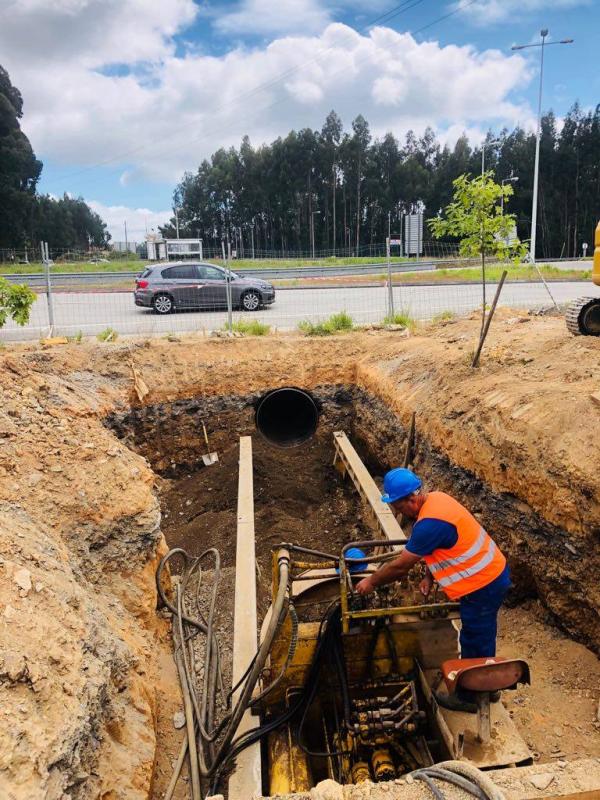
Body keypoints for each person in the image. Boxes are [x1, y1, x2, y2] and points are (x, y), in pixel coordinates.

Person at [355, 468, 511, 662]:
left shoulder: (429, 525)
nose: (397, 511)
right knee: (480, 633)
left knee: (476, 638)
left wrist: (372, 581)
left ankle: (478, 688)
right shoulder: (437, 498)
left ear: (411, 500)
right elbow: (437, 546)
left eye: (398, 506)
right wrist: (429, 576)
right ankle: (486, 683)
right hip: (490, 572)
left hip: (484, 583)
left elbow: (401, 566)